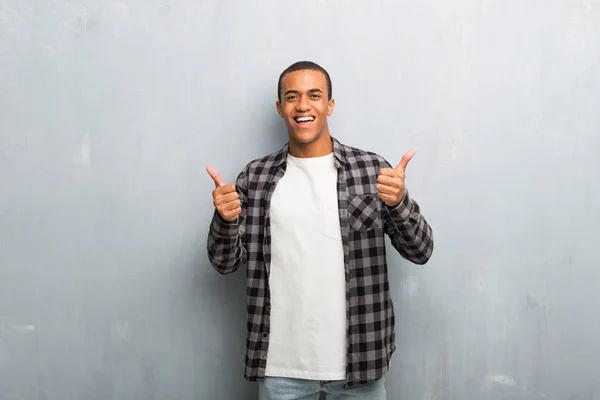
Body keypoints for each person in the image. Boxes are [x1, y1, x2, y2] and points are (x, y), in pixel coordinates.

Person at [206, 61, 434, 400]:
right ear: (280, 107)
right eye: (292, 96)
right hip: (281, 371)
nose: (303, 105)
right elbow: (225, 263)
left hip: (360, 368)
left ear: (329, 104)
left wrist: (399, 202)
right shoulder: (255, 177)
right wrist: (224, 220)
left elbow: (421, 251)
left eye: (314, 95)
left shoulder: (371, 170)